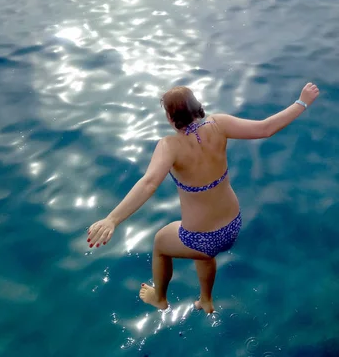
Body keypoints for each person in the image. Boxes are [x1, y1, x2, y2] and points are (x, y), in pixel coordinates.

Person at [87, 82, 319, 314]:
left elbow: (148, 183)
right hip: (233, 225)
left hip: (201, 239)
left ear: (170, 118)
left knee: (160, 243)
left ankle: (159, 298)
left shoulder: (169, 146)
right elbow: (265, 128)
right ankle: (205, 300)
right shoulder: (219, 124)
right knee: (203, 254)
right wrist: (302, 102)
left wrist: (112, 219)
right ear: (197, 107)